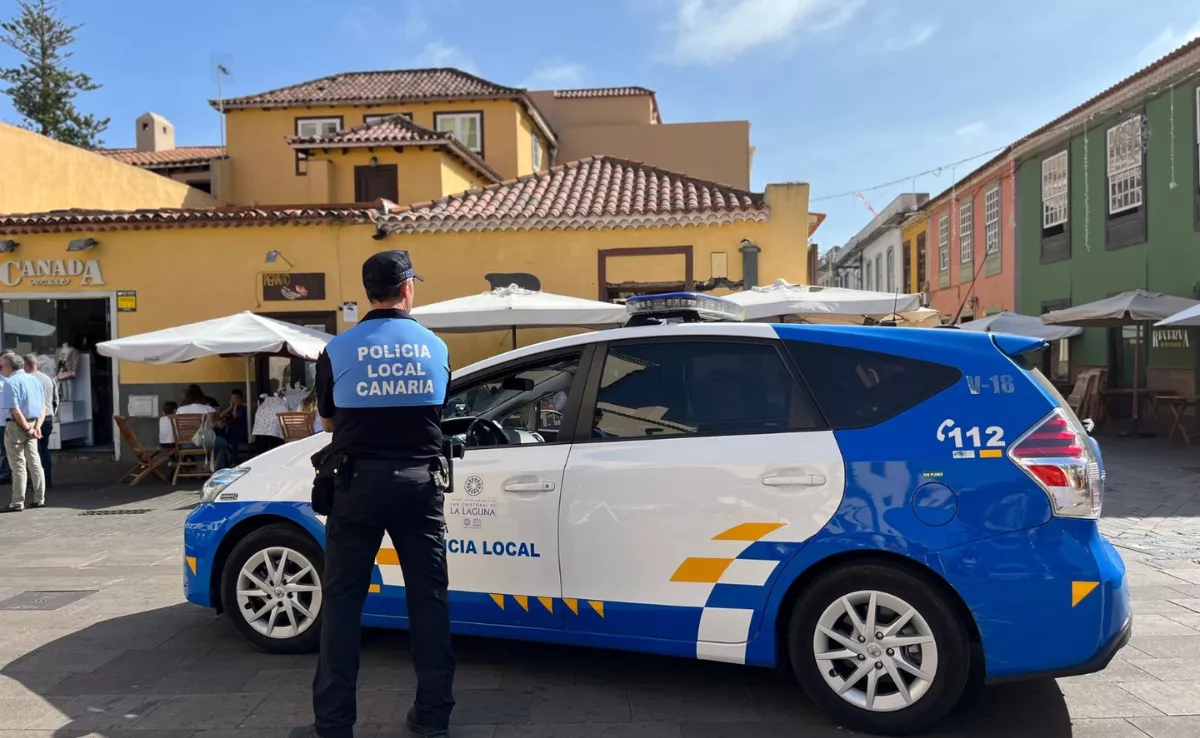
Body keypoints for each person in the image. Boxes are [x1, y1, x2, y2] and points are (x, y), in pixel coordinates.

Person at [292, 251, 453, 738]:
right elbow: (436, 410)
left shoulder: (338, 349)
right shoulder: (435, 347)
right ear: (406, 289)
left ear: (369, 293)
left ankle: (335, 723)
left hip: (355, 484)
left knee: (342, 602)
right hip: (419, 483)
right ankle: (433, 716)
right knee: (429, 601)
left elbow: (328, 420)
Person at [0, 351, 46, 513]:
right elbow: (42, 407)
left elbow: (15, 410)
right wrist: (36, 427)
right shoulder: (34, 380)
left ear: (7, 366)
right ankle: (39, 498)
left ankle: (17, 502)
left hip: (17, 426)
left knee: (18, 465)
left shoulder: (11, 382)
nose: (0, 370)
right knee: (34, 463)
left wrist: (27, 428)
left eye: (1, 366)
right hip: (33, 423)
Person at [24, 354, 57, 488]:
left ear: (26, 366)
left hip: (34, 418)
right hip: (48, 417)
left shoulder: (27, 379)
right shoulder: (49, 379)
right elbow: (56, 399)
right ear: (37, 365)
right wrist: (52, 414)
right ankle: (47, 477)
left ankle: (37, 481)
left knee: (33, 452)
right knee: (44, 448)